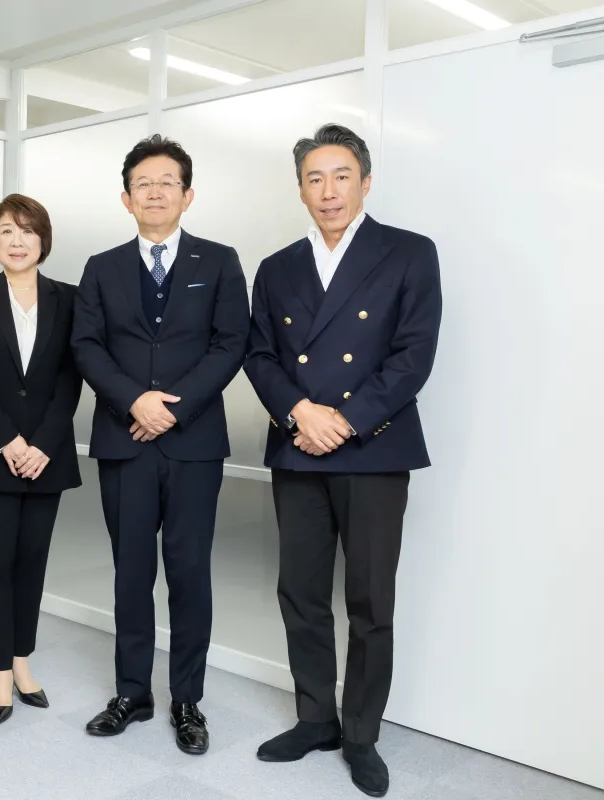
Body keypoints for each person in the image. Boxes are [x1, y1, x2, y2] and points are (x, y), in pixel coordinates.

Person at [244, 123, 442, 798]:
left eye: (341, 176)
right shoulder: (277, 267)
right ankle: (315, 719)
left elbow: (413, 355)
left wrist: (346, 421)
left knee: (369, 599)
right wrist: (301, 413)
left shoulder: (409, 252)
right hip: (298, 447)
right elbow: (259, 354)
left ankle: (361, 734)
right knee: (300, 592)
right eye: (314, 178)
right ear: (300, 189)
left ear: (365, 181)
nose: (328, 191)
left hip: (373, 447)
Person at [71, 134, 250, 755]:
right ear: (126, 198)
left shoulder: (220, 261)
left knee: (189, 572)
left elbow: (231, 343)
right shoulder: (101, 267)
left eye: (166, 182)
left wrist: (170, 409)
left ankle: (188, 700)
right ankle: (132, 693)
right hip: (124, 441)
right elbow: (86, 345)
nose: (154, 192)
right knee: (130, 573)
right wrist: (134, 402)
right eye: (142, 184)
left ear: (187, 195)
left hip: (193, 443)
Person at [0, 194, 83, 724]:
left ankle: (22, 659)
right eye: (7, 230)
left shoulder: (68, 299)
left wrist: (43, 444)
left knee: (32, 562)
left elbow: (72, 375)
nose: (17, 240)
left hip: (47, 455)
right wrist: (8, 441)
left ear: (43, 240)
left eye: (27, 230)